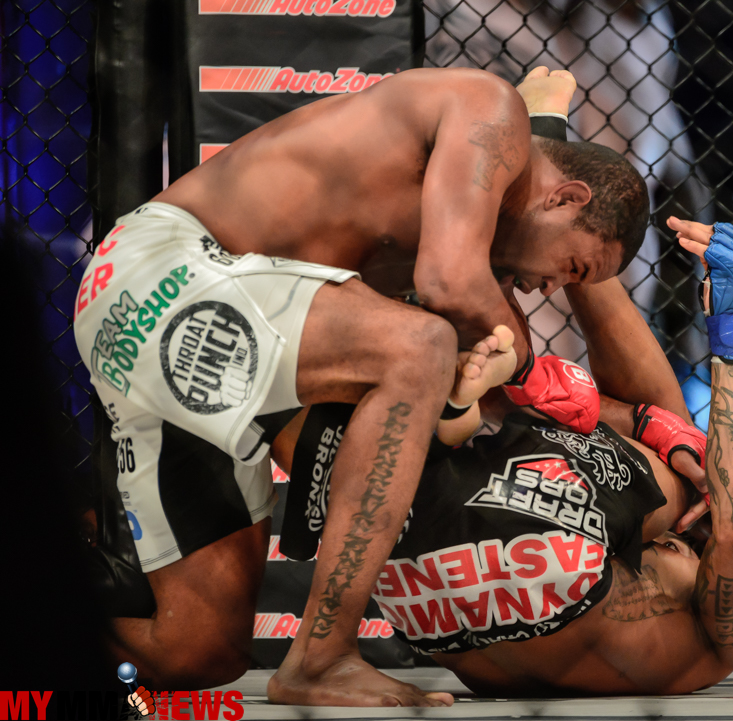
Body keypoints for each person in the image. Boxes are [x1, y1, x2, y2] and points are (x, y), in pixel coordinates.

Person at [74, 66, 652, 707]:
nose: (551, 287)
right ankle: (321, 658)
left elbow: (489, 368)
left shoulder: (470, 227)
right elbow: (449, 285)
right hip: (162, 275)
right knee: (419, 349)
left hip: (182, 345)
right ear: (566, 197)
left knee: (197, 648)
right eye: (572, 267)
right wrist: (529, 371)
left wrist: (645, 424)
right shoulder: (488, 106)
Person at [274, 217, 733, 696]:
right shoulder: (670, 657)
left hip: (549, 548)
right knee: (368, 429)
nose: (681, 542)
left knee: (694, 469)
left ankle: (574, 248)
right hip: (413, 579)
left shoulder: (716, 646)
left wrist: (732, 325)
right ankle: (488, 387)